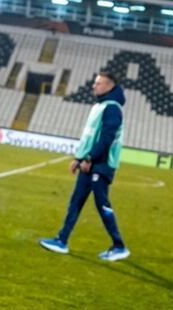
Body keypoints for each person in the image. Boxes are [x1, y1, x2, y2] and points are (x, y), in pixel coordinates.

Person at [39, 72, 130, 261]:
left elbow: (106, 138)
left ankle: (119, 245)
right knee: (76, 202)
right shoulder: (101, 106)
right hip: (90, 163)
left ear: (109, 86)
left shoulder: (112, 108)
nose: (94, 86)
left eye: (98, 83)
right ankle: (61, 240)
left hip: (101, 165)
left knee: (101, 203)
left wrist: (89, 158)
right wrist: (79, 159)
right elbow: (91, 137)